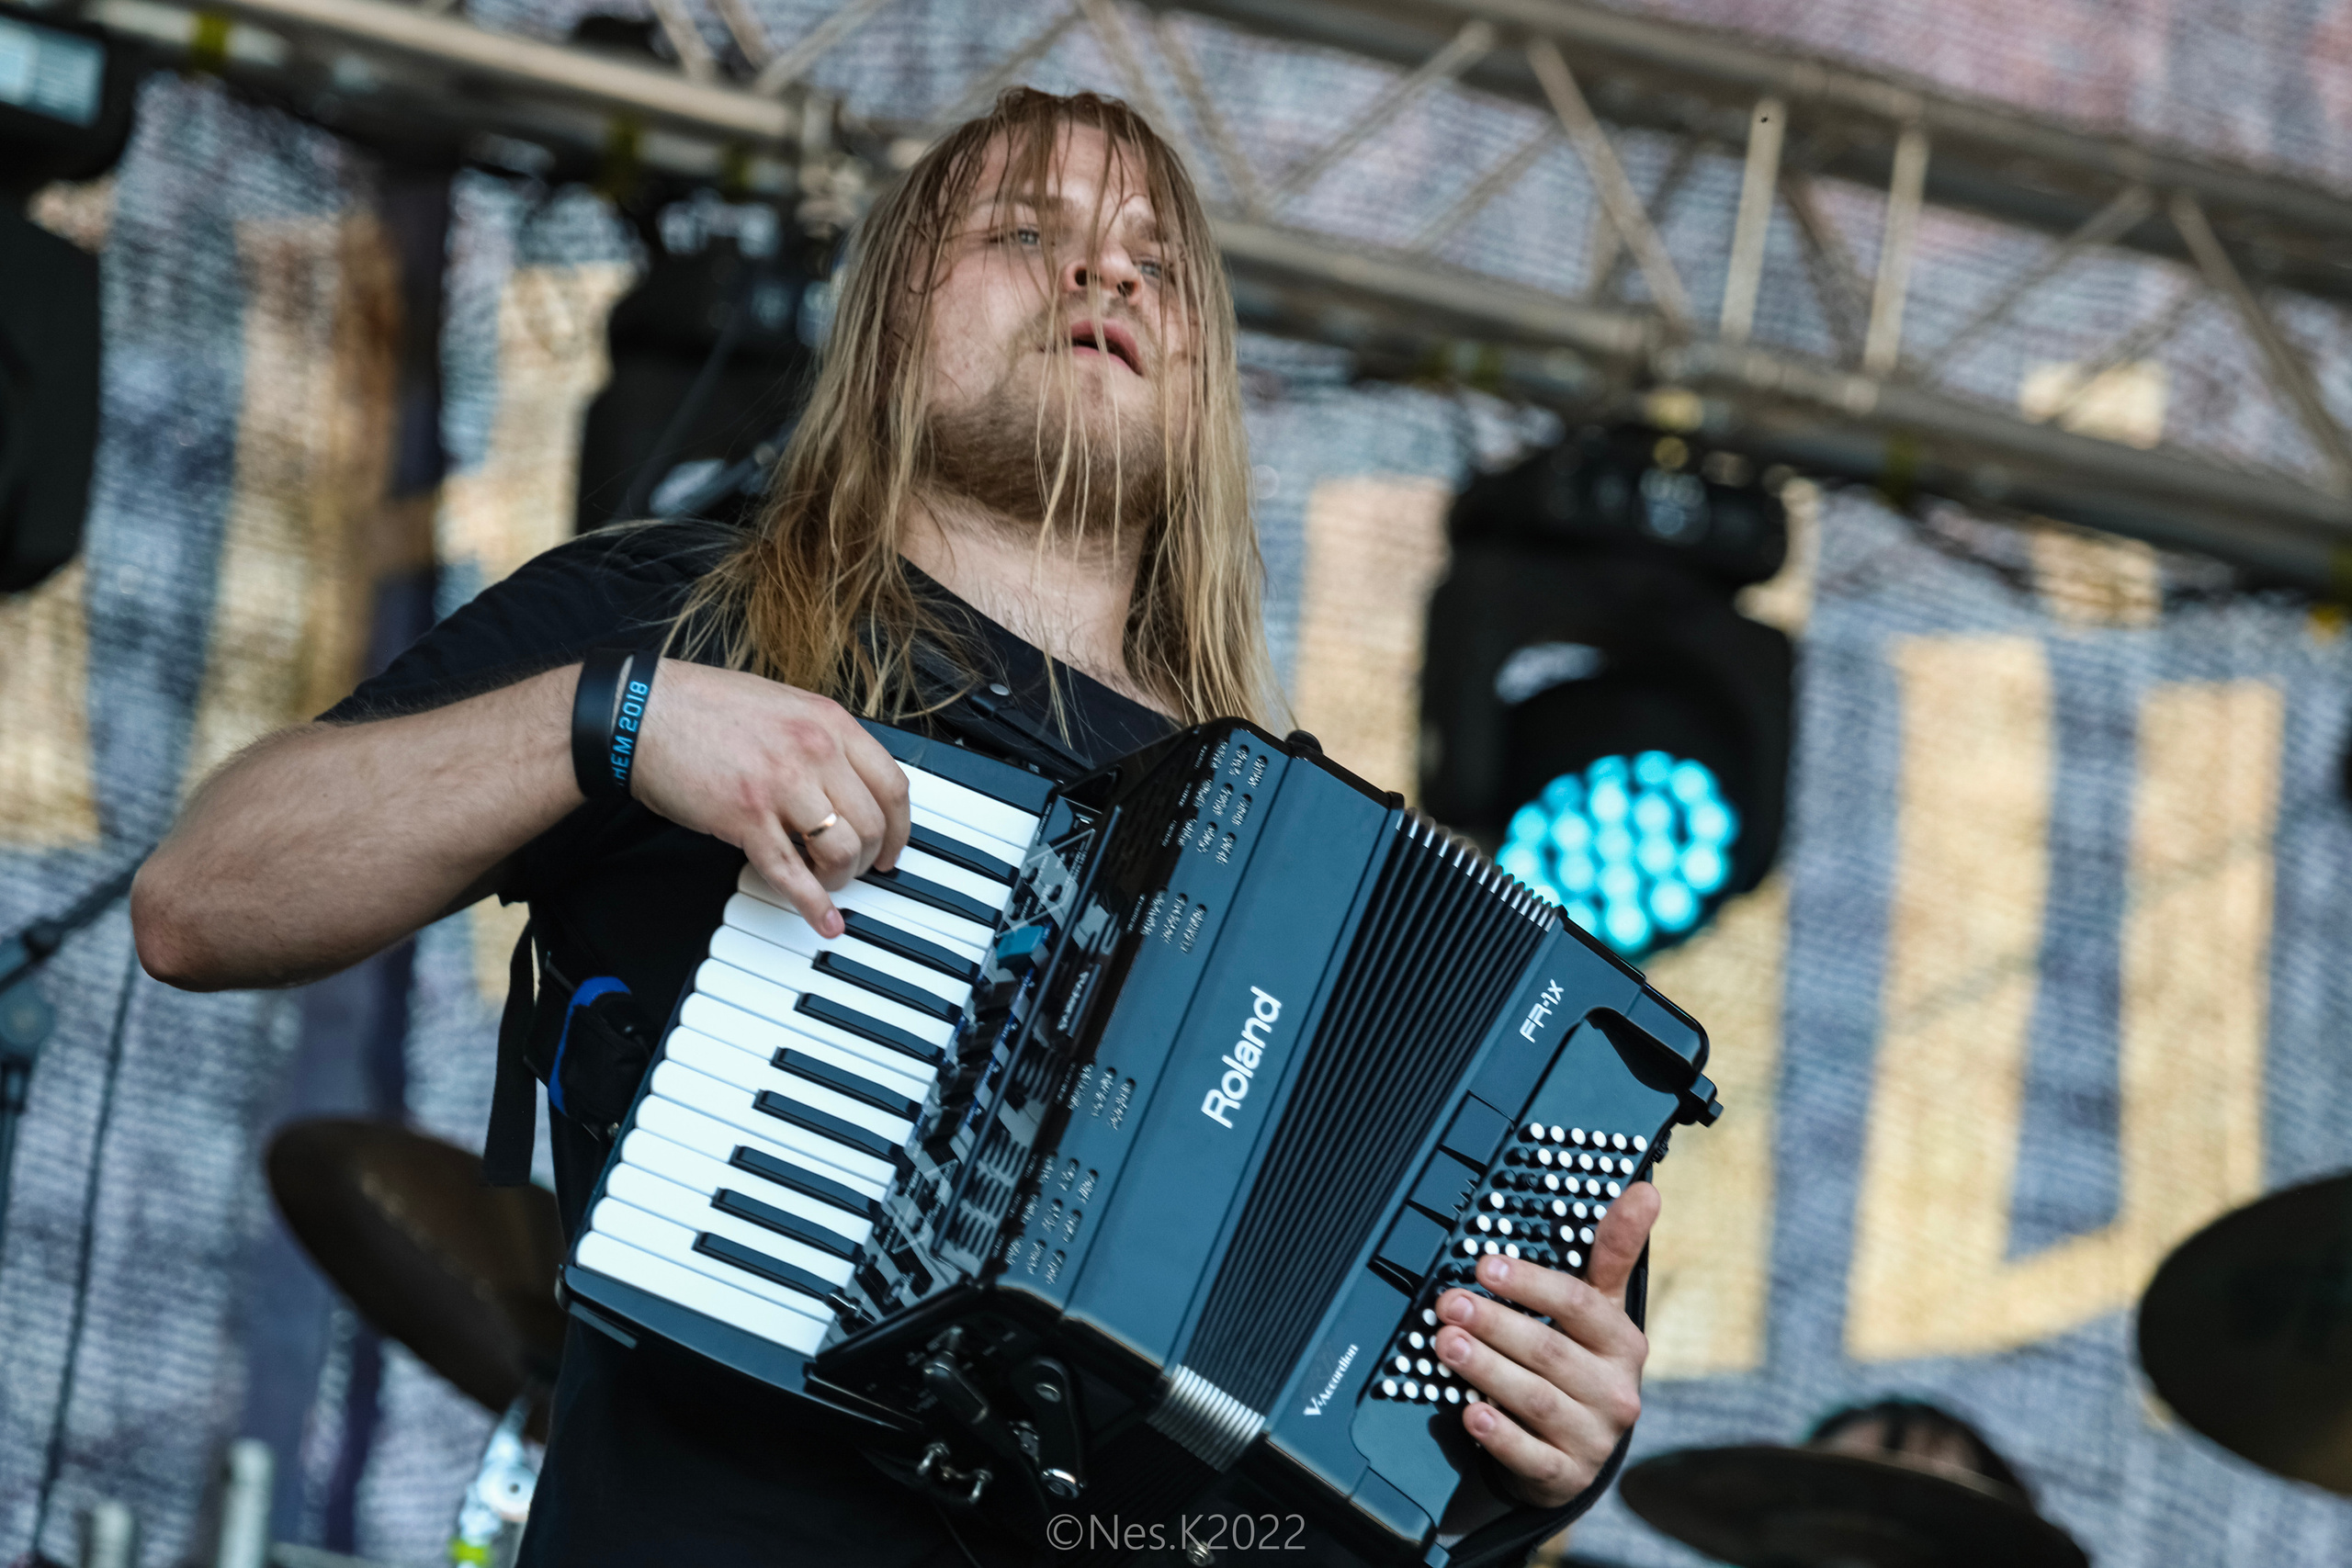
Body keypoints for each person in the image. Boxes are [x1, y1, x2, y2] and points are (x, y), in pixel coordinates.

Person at [131, 88, 1657, 1565]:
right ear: (887, 322)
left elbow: (1369, 1491)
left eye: (1158, 260)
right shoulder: (679, 616)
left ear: (1206, 390)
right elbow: (200, 904)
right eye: (1021, 228)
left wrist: (1543, 1456)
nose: (1103, 269)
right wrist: (613, 722)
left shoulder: (1321, 877)